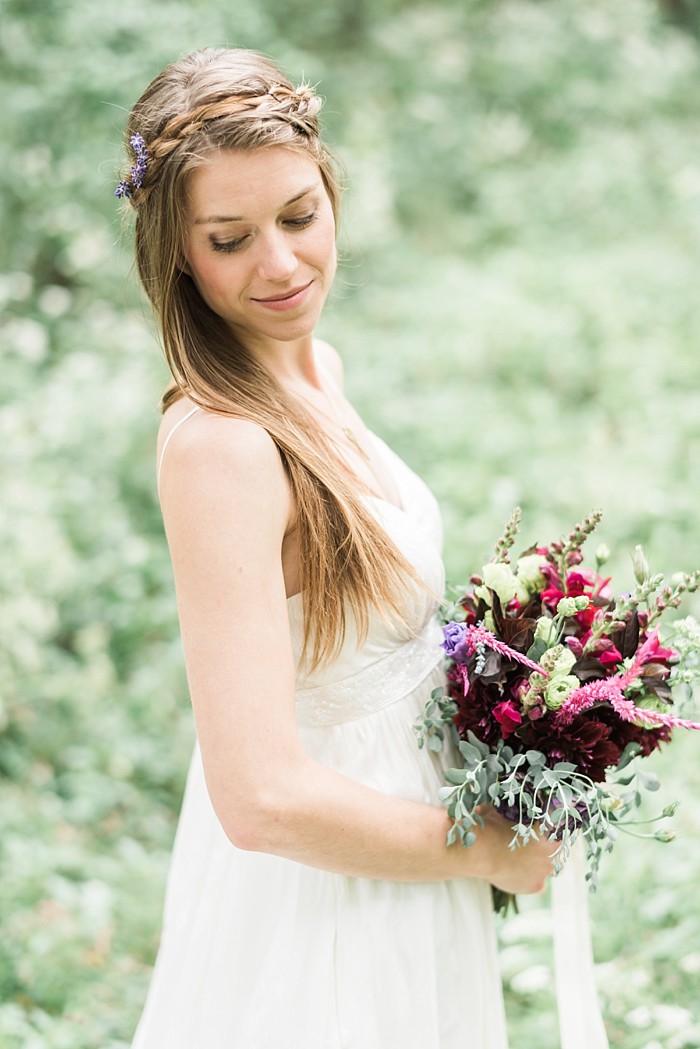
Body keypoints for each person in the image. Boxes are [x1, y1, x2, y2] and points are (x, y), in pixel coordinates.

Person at [116, 47, 557, 1049]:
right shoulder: (224, 445)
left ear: (331, 194)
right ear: (176, 254)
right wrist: (486, 846)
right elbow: (260, 795)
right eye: (228, 239)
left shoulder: (319, 372)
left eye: (297, 217)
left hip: (405, 845)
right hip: (324, 898)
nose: (278, 265)